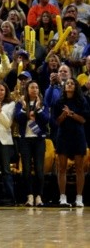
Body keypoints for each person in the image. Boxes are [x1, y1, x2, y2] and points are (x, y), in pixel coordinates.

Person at [52, 78, 88, 208]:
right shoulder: (59, 102)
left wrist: (71, 113)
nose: (69, 85)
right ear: (64, 87)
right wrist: (64, 114)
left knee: (79, 168)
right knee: (62, 168)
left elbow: (83, 120)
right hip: (63, 136)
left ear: (76, 86)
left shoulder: (81, 100)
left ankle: (79, 198)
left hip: (78, 135)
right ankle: (63, 198)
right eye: (67, 83)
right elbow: (56, 122)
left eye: (72, 83)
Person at [14, 80, 49, 207]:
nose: (34, 89)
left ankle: (39, 196)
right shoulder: (21, 103)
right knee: (26, 170)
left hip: (39, 139)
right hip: (25, 140)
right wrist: (24, 109)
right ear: (27, 90)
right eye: (32, 87)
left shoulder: (43, 103)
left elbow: (46, 120)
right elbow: (17, 119)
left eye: (36, 87)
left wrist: (38, 110)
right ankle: (29, 196)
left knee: (40, 170)